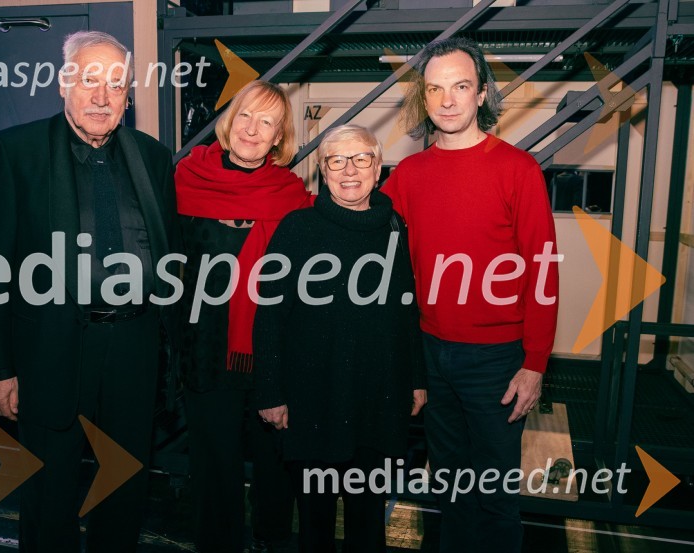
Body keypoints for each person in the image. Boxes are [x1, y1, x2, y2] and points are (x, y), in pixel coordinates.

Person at [0, 31, 179, 552]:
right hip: (50, 346)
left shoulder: (154, 157)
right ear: (65, 83)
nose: (102, 97)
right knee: (48, 487)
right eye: (90, 80)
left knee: (125, 482)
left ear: (128, 98)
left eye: (116, 85)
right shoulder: (15, 151)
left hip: (133, 345)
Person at [382, 37, 559, 553]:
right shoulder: (409, 175)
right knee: (451, 489)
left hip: (498, 362)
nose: (447, 100)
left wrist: (535, 363)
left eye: (460, 86)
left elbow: (541, 273)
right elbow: (361, 231)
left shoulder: (517, 170)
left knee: (495, 494)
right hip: (431, 353)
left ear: (481, 93)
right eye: (434, 89)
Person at [254, 124, 427, 553]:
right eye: (336, 160)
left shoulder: (394, 227)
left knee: (368, 521)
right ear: (322, 170)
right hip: (313, 401)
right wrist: (270, 392)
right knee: (314, 525)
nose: (349, 170)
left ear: (378, 166)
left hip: (378, 400)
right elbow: (270, 316)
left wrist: (418, 378)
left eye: (361, 158)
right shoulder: (297, 229)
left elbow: (407, 310)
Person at [174, 80, 309, 553]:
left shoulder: (293, 197)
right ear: (230, 122)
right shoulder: (184, 181)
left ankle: (272, 540)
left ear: (279, 137)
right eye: (246, 116)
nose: (253, 129)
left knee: (276, 462)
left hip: (273, 354)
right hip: (205, 352)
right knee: (213, 465)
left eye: (267, 122)